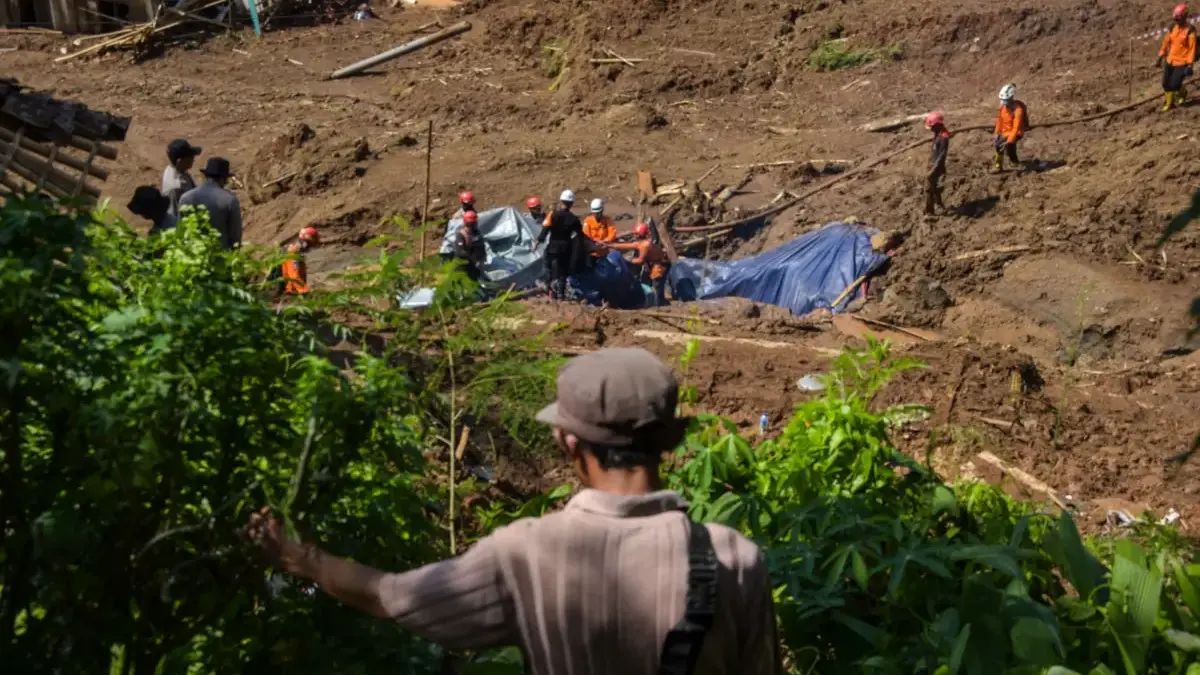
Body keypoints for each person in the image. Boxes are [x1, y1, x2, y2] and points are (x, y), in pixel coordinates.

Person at [244, 347, 780, 675]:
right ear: (667, 443)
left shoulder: (526, 552)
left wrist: (303, 559)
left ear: (568, 444)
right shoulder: (735, 559)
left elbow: (391, 596)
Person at [180, 157, 243, 250]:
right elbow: (235, 238)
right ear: (223, 179)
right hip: (220, 258)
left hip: (192, 257)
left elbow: (181, 231)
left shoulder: (186, 198)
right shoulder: (230, 200)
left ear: (205, 176)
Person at [534, 189, 583, 300]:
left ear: (561, 201)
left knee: (549, 269)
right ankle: (561, 294)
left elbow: (545, 229)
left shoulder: (553, 215)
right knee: (562, 273)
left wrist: (538, 241)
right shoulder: (574, 219)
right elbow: (580, 234)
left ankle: (550, 291)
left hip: (552, 247)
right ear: (572, 204)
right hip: (566, 249)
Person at [609, 222, 671, 307]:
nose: (635, 236)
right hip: (652, 262)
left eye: (636, 234)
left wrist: (626, 260)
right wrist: (611, 245)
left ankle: (659, 302)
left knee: (657, 283)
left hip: (660, 263)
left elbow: (640, 260)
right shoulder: (641, 242)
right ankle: (651, 299)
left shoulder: (645, 245)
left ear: (640, 235)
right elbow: (627, 245)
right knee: (646, 280)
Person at [1158, 4, 1197, 111]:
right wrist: (1161, 55)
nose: (1176, 21)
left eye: (1178, 18)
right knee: (1165, 84)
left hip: (1182, 62)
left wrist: (1190, 65)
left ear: (1185, 17)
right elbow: (1166, 42)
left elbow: (1192, 49)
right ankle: (1169, 104)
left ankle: (1182, 93)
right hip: (1170, 60)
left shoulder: (1190, 30)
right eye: (1175, 18)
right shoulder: (1172, 27)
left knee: (1174, 84)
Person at [992, 84, 1029, 173]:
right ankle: (1013, 162)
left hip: (1016, 132)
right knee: (1006, 146)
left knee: (1000, 145)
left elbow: (1016, 128)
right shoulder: (1002, 107)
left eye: (1006, 100)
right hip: (1006, 131)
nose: (1004, 102)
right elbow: (999, 120)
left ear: (1011, 98)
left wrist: (1009, 141)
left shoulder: (1018, 110)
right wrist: (997, 132)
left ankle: (998, 166)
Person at [161, 138, 201, 219]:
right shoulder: (175, 187)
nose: (193, 159)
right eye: (190, 157)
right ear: (180, 161)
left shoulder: (178, 170)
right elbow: (174, 216)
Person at [924, 111, 950, 217]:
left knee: (929, 189)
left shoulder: (943, 138)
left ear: (937, 125)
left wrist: (933, 169)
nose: (930, 129)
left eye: (931, 126)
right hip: (934, 164)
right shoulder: (938, 133)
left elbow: (942, 156)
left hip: (937, 167)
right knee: (934, 187)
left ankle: (930, 212)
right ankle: (939, 204)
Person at [281, 226, 319, 295]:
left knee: (298, 271)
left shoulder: (298, 249)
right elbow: (294, 275)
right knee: (295, 273)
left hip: (292, 292)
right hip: (293, 253)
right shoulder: (295, 250)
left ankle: (293, 290)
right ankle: (300, 291)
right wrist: (304, 291)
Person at [453, 210, 487, 283]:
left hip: (474, 264)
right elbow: (460, 252)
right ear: (467, 223)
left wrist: (482, 257)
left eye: (475, 222)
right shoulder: (461, 235)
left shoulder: (477, 232)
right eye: (473, 222)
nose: (475, 224)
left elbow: (481, 245)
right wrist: (472, 258)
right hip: (463, 265)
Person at [582, 197, 617, 266]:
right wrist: (596, 243)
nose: (596, 215)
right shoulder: (587, 221)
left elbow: (612, 232)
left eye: (598, 213)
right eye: (594, 213)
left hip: (604, 252)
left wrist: (605, 241)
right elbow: (585, 236)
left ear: (601, 211)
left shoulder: (607, 220)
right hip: (592, 253)